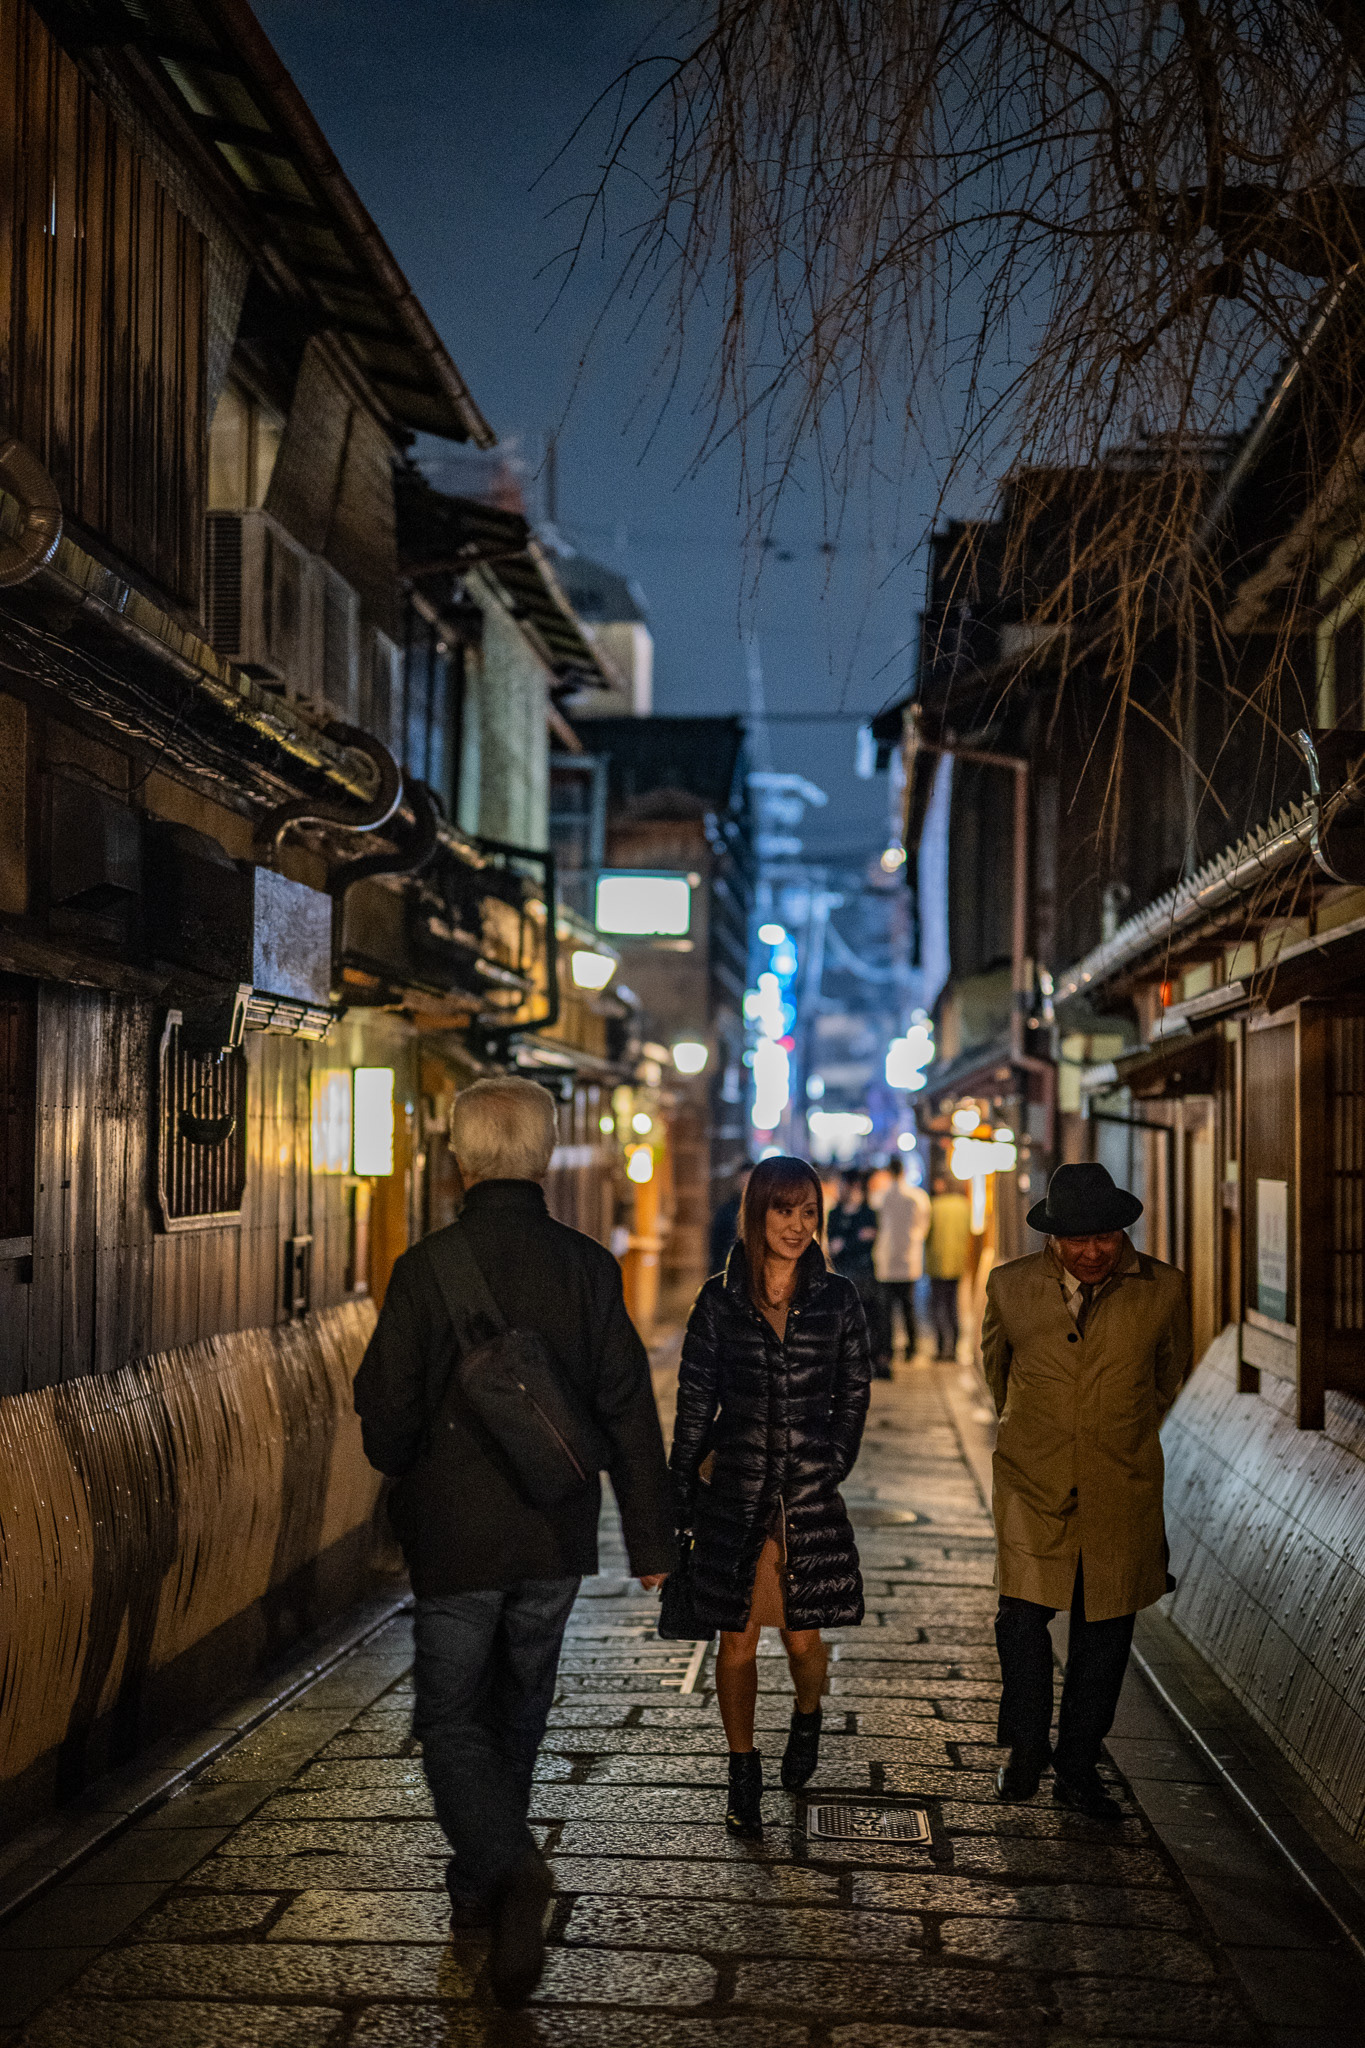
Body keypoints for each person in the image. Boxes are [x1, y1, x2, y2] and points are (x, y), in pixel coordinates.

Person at [353, 1077, 674, 2003]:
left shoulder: (426, 1267)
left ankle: (505, 1868)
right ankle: (484, 1883)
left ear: (462, 1158)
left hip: (454, 1537)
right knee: (520, 1705)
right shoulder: (587, 1266)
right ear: (540, 1157)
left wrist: (408, 1457)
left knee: (451, 1716)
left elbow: (385, 1411)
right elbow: (625, 1409)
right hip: (552, 1530)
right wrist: (652, 1539)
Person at [981, 1162, 1191, 1823]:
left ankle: (1076, 1767)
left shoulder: (1162, 1290)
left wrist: (1110, 1433)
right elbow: (995, 1373)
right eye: (1077, 1240)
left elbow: (1166, 1379)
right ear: (1052, 1240)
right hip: (1031, 1481)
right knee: (1019, 1619)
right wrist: (1043, 1429)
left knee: (1103, 1634)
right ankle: (1024, 1747)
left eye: (1104, 1236)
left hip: (1117, 1483)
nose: (1092, 1251)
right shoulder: (1010, 1288)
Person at [671, 1154, 871, 1838]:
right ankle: (741, 1774)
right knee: (734, 1641)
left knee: (802, 1638)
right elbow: (695, 1400)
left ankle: (807, 1717)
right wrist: (681, 1483)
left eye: (808, 1212)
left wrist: (831, 1461)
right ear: (756, 1215)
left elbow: (853, 1391)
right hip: (735, 1491)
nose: (797, 1225)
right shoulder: (720, 1299)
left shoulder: (837, 1297)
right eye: (783, 1211)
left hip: (807, 1494)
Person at [827, 1168, 890, 1376]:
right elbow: (833, 1247)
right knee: (843, 1321)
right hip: (842, 1274)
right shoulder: (835, 1214)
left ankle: (874, 1359)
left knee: (871, 1317)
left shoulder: (868, 1213)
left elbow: (867, 1242)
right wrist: (856, 1239)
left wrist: (844, 1243)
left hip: (865, 1274)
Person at [873, 1155, 931, 1367]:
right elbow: (923, 1227)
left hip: (886, 1261)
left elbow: (878, 1227)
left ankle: (887, 1350)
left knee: (886, 1311)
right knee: (908, 1307)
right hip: (909, 1261)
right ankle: (911, 1348)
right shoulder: (918, 1197)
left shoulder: (881, 1197)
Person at [925, 1173, 971, 1360]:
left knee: (938, 1305)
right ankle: (954, 1348)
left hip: (937, 1262)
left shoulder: (935, 1206)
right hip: (957, 1262)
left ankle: (941, 1346)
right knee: (953, 1306)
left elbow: (927, 1233)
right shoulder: (964, 1206)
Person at [709, 1165, 751, 1275]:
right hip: (729, 1269)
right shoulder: (726, 1211)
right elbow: (717, 1245)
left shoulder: (764, 1211)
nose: (746, 1184)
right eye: (744, 1180)